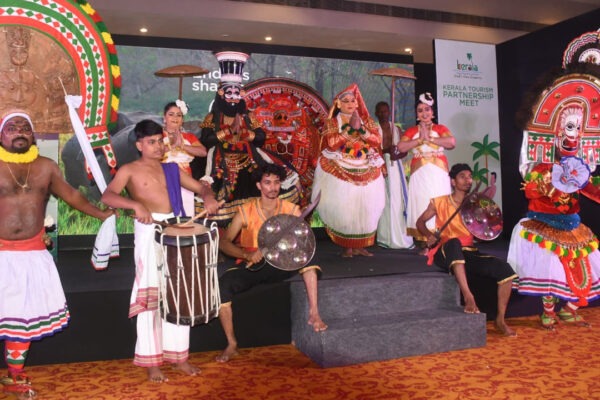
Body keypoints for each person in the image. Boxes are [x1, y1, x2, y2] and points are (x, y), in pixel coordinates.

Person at [0, 110, 114, 398]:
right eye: (12, 127)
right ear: (1, 135)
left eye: (24, 127)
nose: (19, 131)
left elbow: (72, 196)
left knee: (22, 317)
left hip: (32, 254)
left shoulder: (46, 167)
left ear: (33, 135)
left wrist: (101, 214)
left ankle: (13, 375)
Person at [101, 119, 219, 383]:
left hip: (176, 230)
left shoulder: (172, 169)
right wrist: (135, 205)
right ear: (139, 145)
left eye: (160, 141)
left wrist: (209, 197)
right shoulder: (129, 170)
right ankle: (152, 362)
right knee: (151, 299)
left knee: (178, 295)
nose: (158, 146)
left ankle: (179, 358)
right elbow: (108, 196)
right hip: (149, 232)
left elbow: (201, 187)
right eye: (151, 142)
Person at [216, 163, 327, 362]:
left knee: (309, 257)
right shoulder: (246, 210)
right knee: (223, 285)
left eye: (276, 182)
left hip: (282, 264)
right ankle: (231, 343)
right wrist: (246, 255)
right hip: (254, 265)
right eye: (267, 182)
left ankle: (314, 313)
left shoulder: (291, 209)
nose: (273, 187)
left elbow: (303, 241)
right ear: (259, 186)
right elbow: (224, 242)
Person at [508, 104, 600, 330]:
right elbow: (530, 191)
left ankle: (569, 310)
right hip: (544, 224)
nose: (574, 136)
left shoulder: (577, 167)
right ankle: (548, 313)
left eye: (578, 129)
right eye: (569, 128)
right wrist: (547, 187)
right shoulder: (542, 168)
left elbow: (591, 190)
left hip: (572, 226)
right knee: (550, 270)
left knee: (588, 268)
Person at [416, 163, 517, 337]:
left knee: (505, 270)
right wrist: (429, 235)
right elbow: (420, 222)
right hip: (445, 249)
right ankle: (468, 296)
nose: (467, 180)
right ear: (453, 181)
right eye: (462, 177)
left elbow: (484, 230)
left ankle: (500, 319)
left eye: (470, 177)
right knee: (454, 243)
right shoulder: (439, 202)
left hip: (469, 250)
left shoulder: (474, 204)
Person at [200, 51, 299, 225]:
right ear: (221, 93)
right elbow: (206, 140)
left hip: (249, 158)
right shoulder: (212, 117)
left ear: (241, 94)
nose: (233, 98)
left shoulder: (248, 116)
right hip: (220, 159)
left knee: (276, 178)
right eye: (229, 93)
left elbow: (261, 138)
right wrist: (228, 132)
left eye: (236, 93)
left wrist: (246, 134)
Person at [311, 83, 385, 257]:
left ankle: (361, 245)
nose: (350, 104)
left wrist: (362, 130)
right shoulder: (331, 122)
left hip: (366, 164)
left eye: (353, 100)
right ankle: (347, 246)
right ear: (339, 104)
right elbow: (331, 143)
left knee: (367, 207)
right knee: (345, 208)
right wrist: (350, 129)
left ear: (357, 103)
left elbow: (376, 141)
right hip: (341, 164)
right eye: (346, 101)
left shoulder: (367, 121)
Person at [398, 93, 455, 251]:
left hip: (438, 173)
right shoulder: (411, 131)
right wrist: (419, 140)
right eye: (420, 110)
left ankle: (441, 242)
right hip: (420, 174)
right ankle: (426, 243)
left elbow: (451, 142)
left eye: (427, 109)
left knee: (439, 203)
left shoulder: (440, 128)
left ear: (432, 112)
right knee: (422, 203)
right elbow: (401, 147)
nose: (424, 113)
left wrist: (430, 139)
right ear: (417, 114)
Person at [374, 101, 413, 249]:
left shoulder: (396, 129)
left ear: (389, 112)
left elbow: (405, 150)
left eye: (386, 111)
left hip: (395, 166)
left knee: (397, 199)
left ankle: (399, 237)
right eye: (380, 111)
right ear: (376, 113)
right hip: (379, 165)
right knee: (382, 200)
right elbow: (372, 149)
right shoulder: (373, 130)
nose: (383, 114)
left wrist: (396, 153)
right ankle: (385, 237)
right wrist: (386, 151)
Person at [162, 100, 207, 216]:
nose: (175, 118)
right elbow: (153, 153)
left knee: (185, 216)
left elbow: (203, 152)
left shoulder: (189, 137)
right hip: (163, 179)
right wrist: (172, 145)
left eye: (179, 115)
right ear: (164, 118)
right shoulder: (157, 136)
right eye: (171, 114)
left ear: (182, 120)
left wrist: (182, 146)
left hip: (186, 180)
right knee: (165, 214)